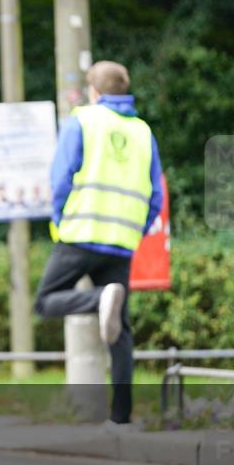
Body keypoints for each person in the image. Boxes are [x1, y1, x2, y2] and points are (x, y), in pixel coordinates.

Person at [34, 60, 163, 426]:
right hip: (122, 241)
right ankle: (121, 418)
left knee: (45, 301)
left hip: (79, 233)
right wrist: (136, 230)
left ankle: (97, 299)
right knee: (120, 332)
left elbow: (60, 178)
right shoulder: (142, 131)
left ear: (95, 91)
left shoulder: (83, 120)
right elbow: (156, 195)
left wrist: (60, 220)